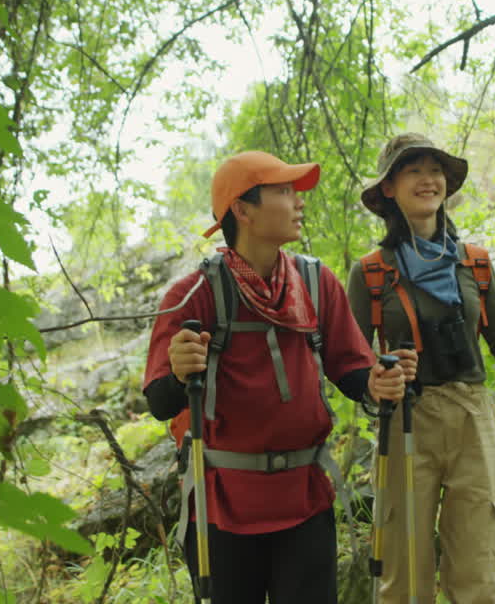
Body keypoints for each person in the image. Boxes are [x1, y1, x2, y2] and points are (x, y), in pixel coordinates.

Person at [143, 150, 416, 604]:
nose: (299, 202)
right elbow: (159, 401)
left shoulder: (315, 282)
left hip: (305, 499)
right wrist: (177, 369)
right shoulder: (194, 295)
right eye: (284, 192)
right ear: (243, 210)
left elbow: (350, 365)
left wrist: (375, 383)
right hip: (221, 510)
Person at [347, 133, 495, 604]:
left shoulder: (476, 263)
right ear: (389, 188)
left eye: (436, 171)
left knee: (477, 564)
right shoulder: (370, 272)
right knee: (404, 572)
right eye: (414, 171)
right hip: (405, 419)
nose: (429, 180)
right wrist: (380, 380)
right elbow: (352, 362)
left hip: (474, 419)